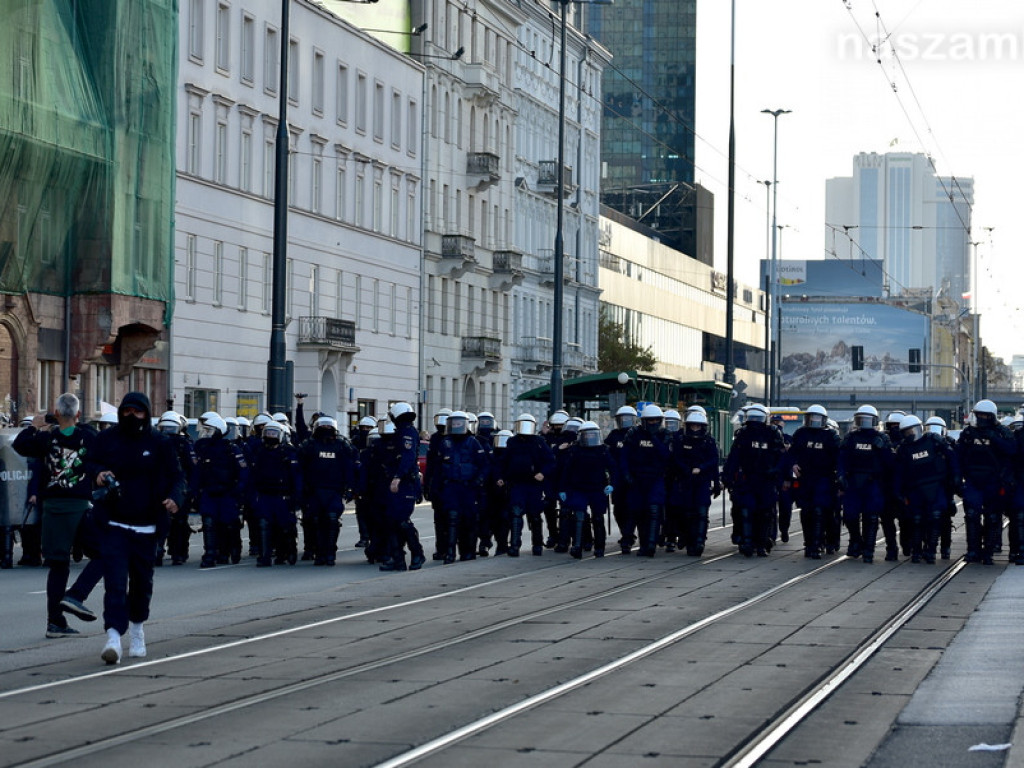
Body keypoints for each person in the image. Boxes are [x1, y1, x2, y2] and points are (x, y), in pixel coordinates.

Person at [92, 392, 186, 663]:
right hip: (115, 524)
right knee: (115, 583)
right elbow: (89, 463)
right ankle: (112, 636)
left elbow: (177, 476)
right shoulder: (108, 439)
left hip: (147, 526)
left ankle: (137, 629)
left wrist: (174, 499)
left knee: (142, 584)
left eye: (138, 411)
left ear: (146, 413)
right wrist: (97, 474)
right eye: (128, 411)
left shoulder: (160, 443)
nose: (132, 416)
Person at [13, 394, 101, 638]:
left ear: (55, 412)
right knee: (103, 553)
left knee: (58, 566)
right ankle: (75, 595)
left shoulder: (45, 438)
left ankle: (55, 621)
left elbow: (19, 445)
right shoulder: (88, 436)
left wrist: (35, 425)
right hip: (79, 507)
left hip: (52, 509)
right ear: (78, 415)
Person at [956, 399, 1016, 564]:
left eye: (985, 415)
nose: (981, 418)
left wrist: (995, 439)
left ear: (992, 416)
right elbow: (959, 457)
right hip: (973, 481)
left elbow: (1012, 451)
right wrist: (957, 480)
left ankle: (988, 551)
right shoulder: (968, 434)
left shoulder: (1002, 432)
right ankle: (973, 550)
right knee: (971, 515)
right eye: (979, 415)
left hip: (994, 482)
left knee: (993, 517)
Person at [723, 404, 785, 557]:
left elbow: (781, 457)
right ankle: (748, 541)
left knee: (765, 513)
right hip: (748, 479)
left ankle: (762, 543)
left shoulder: (773, 434)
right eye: (753, 418)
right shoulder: (743, 434)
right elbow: (734, 457)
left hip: (766, 480)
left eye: (758, 418)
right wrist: (728, 477)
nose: (755, 421)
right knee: (747, 511)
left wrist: (777, 474)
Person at [893, 415, 958, 564]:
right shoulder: (903, 450)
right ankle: (917, 551)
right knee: (916, 520)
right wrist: (898, 492)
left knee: (935, 518)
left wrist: (955, 478)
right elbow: (898, 472)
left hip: (935, 486)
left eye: (913, 431)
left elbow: (952, 458)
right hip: (915, 489)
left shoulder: (934, 441)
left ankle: (931, 551)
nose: (911, 435)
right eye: (907, 432)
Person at [782, 404, 840, 559]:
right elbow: (791, 454)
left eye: (817, 418)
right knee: (806, 512)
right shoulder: (801, 433)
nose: (814, 421)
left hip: (824, 479)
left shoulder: (830, 436)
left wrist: (838, 477)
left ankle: (817, 543)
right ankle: (809, 543)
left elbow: (838, 458)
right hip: (805, 479)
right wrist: (793, 465)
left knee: (819, 511)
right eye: (811, 417)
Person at [297, 416, 356, 566]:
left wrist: (350, 488)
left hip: (334, 491)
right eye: (323, 427)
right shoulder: (309, 445)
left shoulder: (341, 445)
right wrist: (301, 489)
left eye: (329, 427)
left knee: (331, 520)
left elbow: (349, 467)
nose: (326, 430)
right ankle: (318, 552)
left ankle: (330, 552)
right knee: (314, 521)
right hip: (314, 491)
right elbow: (299, 469)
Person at [494, 414, 555, 557]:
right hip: (517, 483)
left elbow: (550, 461)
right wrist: (500, 477)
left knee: (534, 515)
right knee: (515, 513)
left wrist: (543, 473)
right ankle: (514, 545)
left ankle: (537, 544)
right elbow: (503, 461)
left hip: (534, 484)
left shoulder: (539, 441)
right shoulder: (512, 442)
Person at [837, 405, 892, 563]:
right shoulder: (850, 438)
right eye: (861, 419)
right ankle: (856, 540)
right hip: (853, 482)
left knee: (871, 517)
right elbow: (842, 458)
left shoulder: (882, 438)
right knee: (849, 516)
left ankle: (869, 549)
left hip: (873, 482)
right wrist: (841, 475)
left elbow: (890, 464)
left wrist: (882, 449)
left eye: (868, 420)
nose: (864, 423)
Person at [194, 412, 248, 567]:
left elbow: (243, 471)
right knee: (209, 522)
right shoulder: (203, 448)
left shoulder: (232, 449)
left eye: (209, 430)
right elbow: (197, 472)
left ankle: (229, 551)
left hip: (227, 493)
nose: (206, 434)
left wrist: (239, 490)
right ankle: (210, 553)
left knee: (228, 524)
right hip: (209, 493)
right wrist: (194, 491)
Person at [377, 403, 426, 571]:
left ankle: (417, 553)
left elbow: (407, 457)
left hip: (404, 483)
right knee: (391, 521)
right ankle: (397, 558)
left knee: (402, 521)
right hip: (396, 482)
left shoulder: (407, 433)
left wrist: (397, 477)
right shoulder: (401, 432)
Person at [434, 411, 488, 563]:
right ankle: (450, 552)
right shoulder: (445, 443)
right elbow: (438, 467)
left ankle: (468, 551)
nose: (456, 426)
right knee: (451, 518)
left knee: (469, 521)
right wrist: (435, 488)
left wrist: (478, 481)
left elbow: (484, 465)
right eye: (454, 423)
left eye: (459, 423)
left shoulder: (473, 442)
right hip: (450, 486)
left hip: (468, 488)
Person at [247, 422, 302, 567]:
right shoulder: (259, 452)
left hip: (283, 496)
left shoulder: (289, 453)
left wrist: (297, 498)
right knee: (264, 524)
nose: (270, 436)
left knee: (285, 527)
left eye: (274, 433)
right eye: (268, 433)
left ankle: (287, 553)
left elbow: (296, 477)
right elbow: (252, 476)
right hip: (265, 496)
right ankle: (264, 556)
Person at [558, 421, 615, 559]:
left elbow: (613, 469)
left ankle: (600, 547)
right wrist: (563, 489)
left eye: (592, 434)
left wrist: (612, 484)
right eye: (587, 435)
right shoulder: (575, 450)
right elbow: (567, 471)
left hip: (597, 488)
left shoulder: (603, 450)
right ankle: (577, 545)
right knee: (579, 515)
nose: (590, 437)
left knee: (597, 518)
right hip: (579, 488)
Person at [668, 410, 721, 557]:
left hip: (702, 481)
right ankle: (685, 537)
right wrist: (687, 470)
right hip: (684, 481)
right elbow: (675, 459)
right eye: (693, 426)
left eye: (698, 426)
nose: (695, 429)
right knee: (684, 512)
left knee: (701, 513)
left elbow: (714, 461)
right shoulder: (680, 440)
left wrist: (707, 474)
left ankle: (699, 540)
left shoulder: (708, 441)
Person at [620, 404, 671, 557]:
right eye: (650, 420)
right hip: (637, 479)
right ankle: (637, 543)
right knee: (637, 512)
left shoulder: (665, 435)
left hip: (655, 479)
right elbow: (624, 456)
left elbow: (667, 457)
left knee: (654, 512)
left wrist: (654, 438)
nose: (654, 423)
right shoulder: (633, 434)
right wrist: (627, 474)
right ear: (644, 421)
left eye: (656, 420)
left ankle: (650, 545)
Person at [605, 406, 638, 554]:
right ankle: (626, 532)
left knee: (631, 508)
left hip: (632, 478)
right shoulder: (614, 435)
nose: (625, 422)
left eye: (628, 419)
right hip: (617, 478)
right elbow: (606, 451)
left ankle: (627, 537)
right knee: (618, 509)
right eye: (622, 419)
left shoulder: (637, 434)